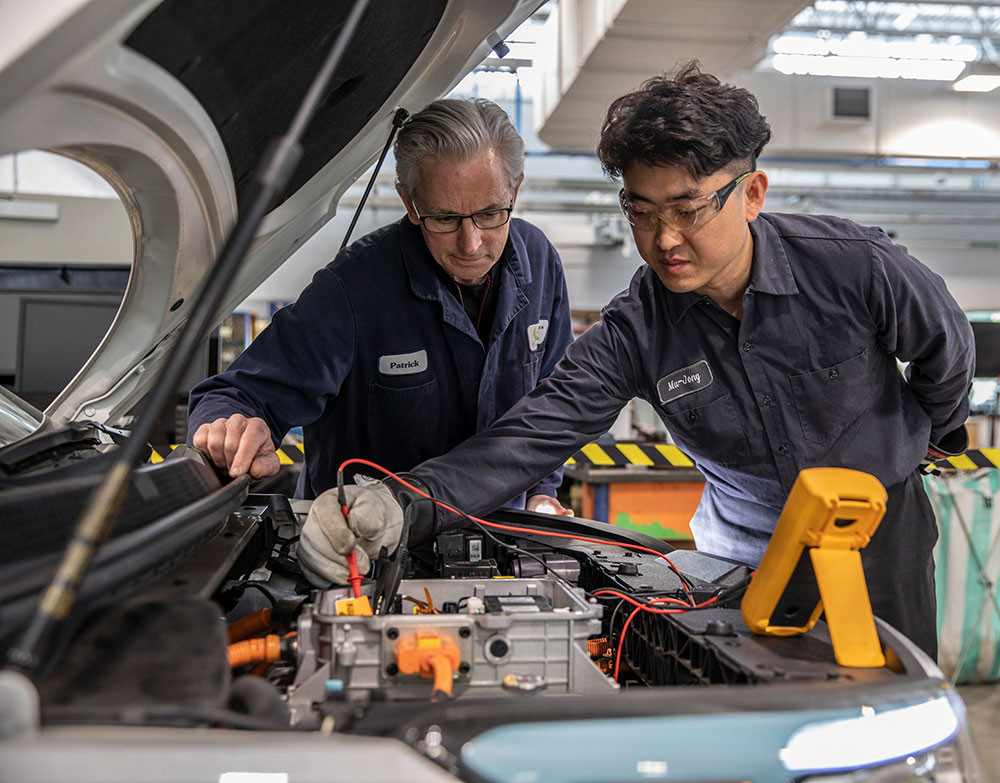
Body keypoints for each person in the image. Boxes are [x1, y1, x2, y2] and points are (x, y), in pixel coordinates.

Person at [302, 63, 974, 659]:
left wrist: (916, 441)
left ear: (752, 192)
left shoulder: (854, 266)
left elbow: (947, 350)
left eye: (688, 208)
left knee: (894, 711)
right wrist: (398, 502)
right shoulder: (638, 330)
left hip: (875, 540)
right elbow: (530, 432)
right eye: (641, 211)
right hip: (741, 555)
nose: (665, 239)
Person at [188, 98, 576, 582]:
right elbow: (236, 394)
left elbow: (554, 403)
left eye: (490, 212)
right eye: (445, 218)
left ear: (514, 189)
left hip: (502, 552)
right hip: (364, 563)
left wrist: (543, 490)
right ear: (410, 203)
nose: (471, 243)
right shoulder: (353, 291)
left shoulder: (539, 264)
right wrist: (230, 428)